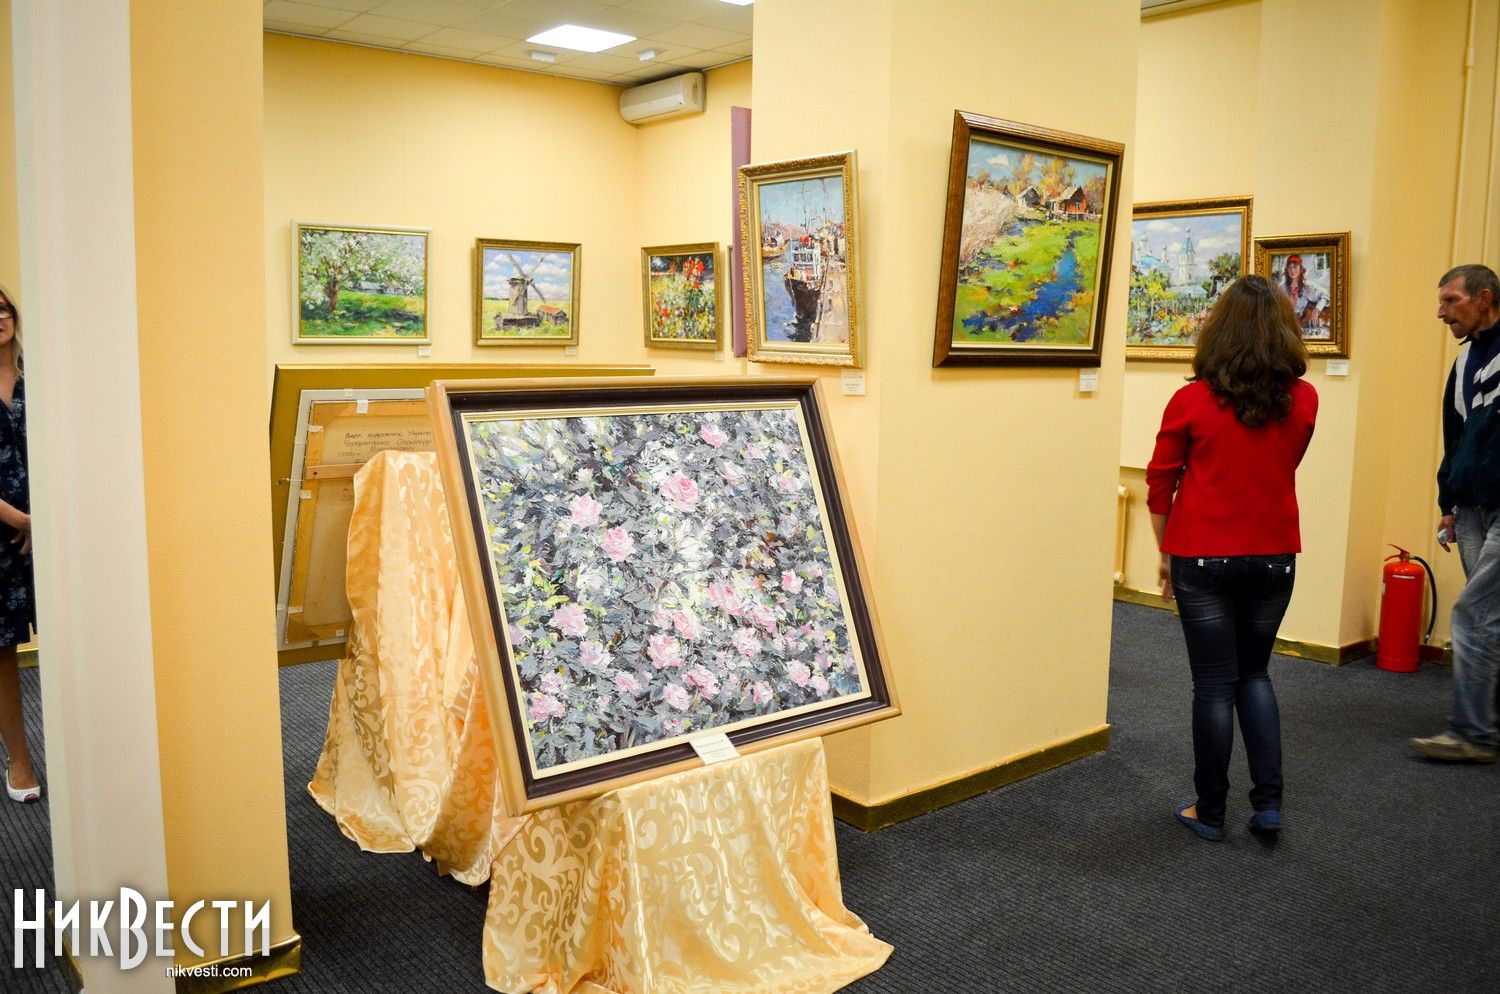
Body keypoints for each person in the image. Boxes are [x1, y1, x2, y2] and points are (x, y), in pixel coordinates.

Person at [1146, 274, 1317, 841]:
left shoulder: (1190, 400)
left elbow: (1160, 482)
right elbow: (1283, 464)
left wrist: (1165, 550)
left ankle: (1211, 811)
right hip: (1274, 556)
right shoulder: (1306, 400)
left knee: (1215, 684)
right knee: (1255, 674)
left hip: (1203, 555)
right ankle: (1268, 806)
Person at [1410, 264, 1500, 764]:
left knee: (1474, 613)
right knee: (1490, 620)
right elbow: (1455, 435)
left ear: (1484, 299)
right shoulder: (1465, 362)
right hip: (1469, 509)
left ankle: (1472, 734)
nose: (1440, 312)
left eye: (1451, 301)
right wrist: (1449, 504)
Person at [0, 286, 37, 802]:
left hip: (54, 529)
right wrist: (23, 521)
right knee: (3, 651)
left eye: (3, 309)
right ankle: (20, 759)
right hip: (6, 531)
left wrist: (45, 522)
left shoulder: (40, 376)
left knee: (73, 640)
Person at [1278, 254, 1329, 337]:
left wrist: (1317, 309)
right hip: (1286, 323)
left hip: (1303, 322)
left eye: (1295, 267)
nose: (1292, 270)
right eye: (1289, 267)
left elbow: (1325, 296)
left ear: (1301, 269)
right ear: (1286, 270)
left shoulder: (1307, 286)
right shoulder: (1282, 287)